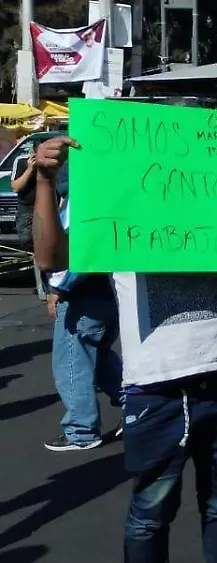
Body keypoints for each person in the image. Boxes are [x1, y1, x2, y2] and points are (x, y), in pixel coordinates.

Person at [32, 134, 217, 563]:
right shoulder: (114, 208)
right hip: (156, 389)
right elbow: (49, 258)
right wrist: (44, 179)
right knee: (150, 516)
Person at [42, 161, 123, 451]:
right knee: (99, 358)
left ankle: (81, 430)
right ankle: (135, 407)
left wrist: (57, 288)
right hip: (104, 294)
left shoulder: (78, 202)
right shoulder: (104, 196)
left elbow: (77, 251)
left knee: (72, 363)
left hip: (82, 296)